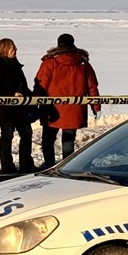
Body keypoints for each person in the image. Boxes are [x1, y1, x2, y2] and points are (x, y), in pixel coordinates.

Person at [34, 33, 100, 168]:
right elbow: (92, 86)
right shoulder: (83, 63)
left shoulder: (50, 62)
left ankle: (49, 166)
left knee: (48, 140)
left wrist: (34, 104)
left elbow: (41, 85)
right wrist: (96, 107)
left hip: (51, 109)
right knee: (68, 141)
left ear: (58, 44)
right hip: (74, 109)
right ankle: (67, 167)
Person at [0, 38, 36, 174]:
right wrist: (11, 94)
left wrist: (31, 97)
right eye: (13, 48)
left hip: (21, 108)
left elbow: (23, 86)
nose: (16, 50)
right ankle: (7, 165)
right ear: (5, 49)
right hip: (6, 109)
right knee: (7, 135)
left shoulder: (15, 65)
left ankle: (26, 163)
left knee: (26, 134)